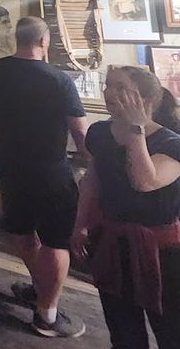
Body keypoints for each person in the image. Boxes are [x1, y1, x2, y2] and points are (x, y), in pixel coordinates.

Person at [0, 16, 89, 338]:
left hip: (10, 165)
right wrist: (89, 160)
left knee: (22, 231)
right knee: (56, 240)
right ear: (44, 41)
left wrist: (0, 137)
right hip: (51, 169)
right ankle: (47, 316)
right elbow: (79, 129)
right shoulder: (58, 79)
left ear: (17, 39)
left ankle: (41, 288)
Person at [71, 66, 180, 349]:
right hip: (112, 242)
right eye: (109, 86)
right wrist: (80, 223)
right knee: (122, 329)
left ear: (145, 98)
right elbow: (93, 180)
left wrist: (136, 129)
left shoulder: (171, 142)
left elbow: (145, 181)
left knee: (171, 329)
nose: (110, 93)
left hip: (162, 251)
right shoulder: (99, 132)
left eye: (121, 88)